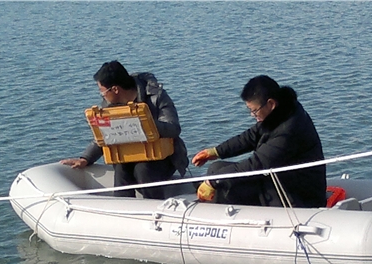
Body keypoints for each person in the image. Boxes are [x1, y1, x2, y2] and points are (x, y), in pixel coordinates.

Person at [191, 75, 327, 207]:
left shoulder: (288, 132)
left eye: (254, 111)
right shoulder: (283, 111)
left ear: (271, 104)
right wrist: (216, 152)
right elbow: (251, 136)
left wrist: (214, 181)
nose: (252, 115)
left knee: (226, 187)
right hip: (280, 180)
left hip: (297, 195)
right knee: (216, 168)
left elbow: (256, 164)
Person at [60, 61, 188, 199]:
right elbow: (105, 134)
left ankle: (156, 206)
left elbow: (174, 128)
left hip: (163, 157)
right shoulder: (109, 105)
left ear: (115, 89)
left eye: (102, 91)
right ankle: (124, 207)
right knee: (121, 169)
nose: (102, 95)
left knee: (142, 169)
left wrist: (144, 124)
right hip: (128, 156)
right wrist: (86, 158)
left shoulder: (156, 96)